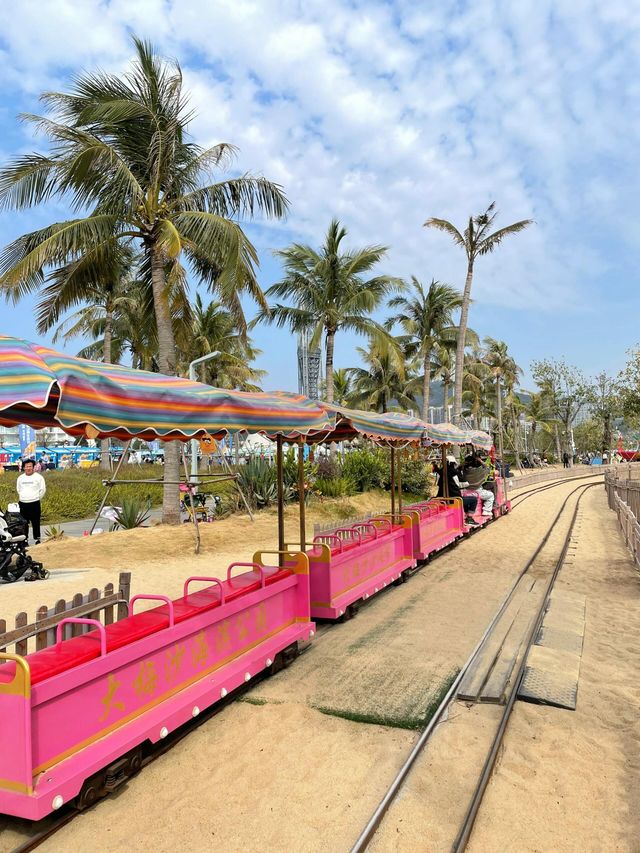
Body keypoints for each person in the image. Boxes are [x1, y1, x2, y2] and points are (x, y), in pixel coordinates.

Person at [435, 454, 479, 526]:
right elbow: (463, 484)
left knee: (465, 500)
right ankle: (469, 519)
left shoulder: (440, 472)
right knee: (473, 499)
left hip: (441, 498)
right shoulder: (454, 472)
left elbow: (437, 483)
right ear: (452, 463)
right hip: (455, 499)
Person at [16, 458, 46, 544]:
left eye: (30, 466)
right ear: (24, 468)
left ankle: (37, 539)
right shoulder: (20, 478)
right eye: (26, 466)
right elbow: (18, 489)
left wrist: (35, 498)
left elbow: (42, 490)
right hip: (23, 503)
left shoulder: (39, 477)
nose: (28, 468)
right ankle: (24, 540)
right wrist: (24, 497)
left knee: (35, 522)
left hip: (34, 503)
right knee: (23, 523)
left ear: (33, 467)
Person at [463, 452, 495, 517]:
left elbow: (458, 468)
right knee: (491, 495)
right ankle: (487, 510)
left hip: (465, 491)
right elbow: (487, 468)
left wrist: (463, 464)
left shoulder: (464, 471)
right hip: (477, 491)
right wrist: (480, 461)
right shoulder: (480, 471)